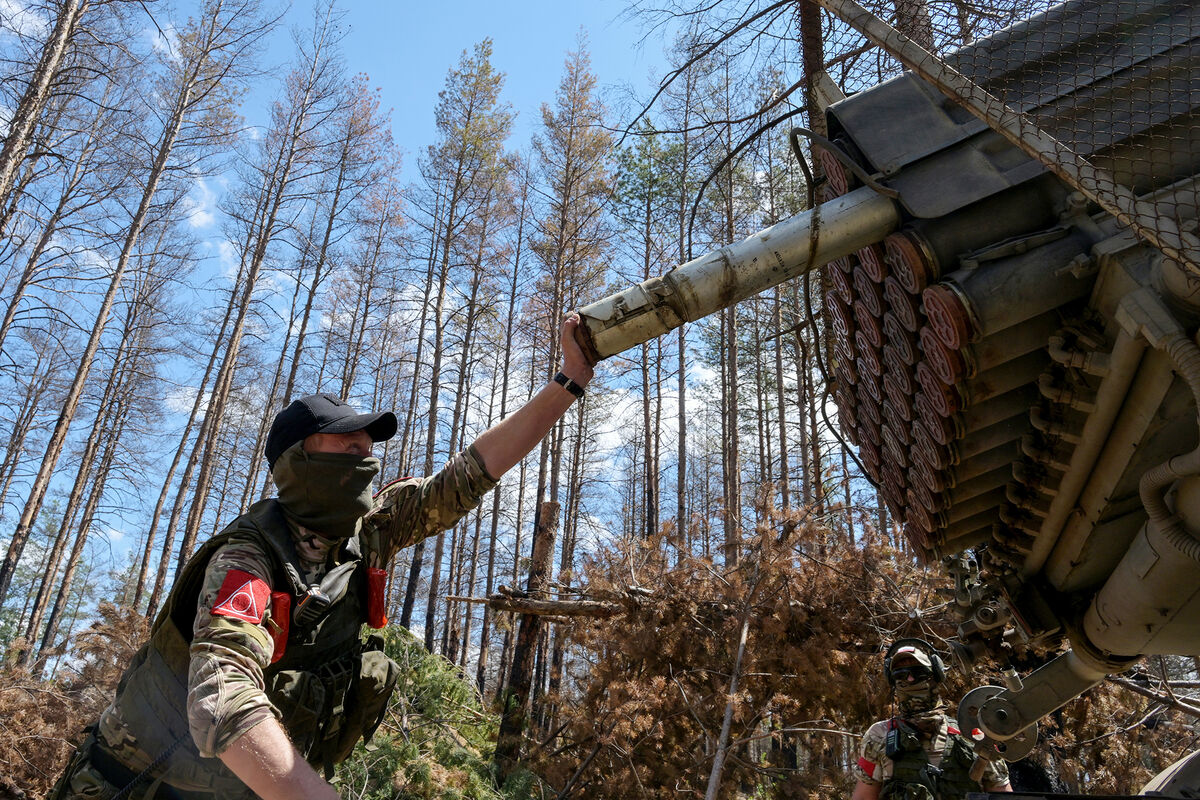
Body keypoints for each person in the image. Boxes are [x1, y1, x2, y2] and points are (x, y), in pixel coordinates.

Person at [50, 314, 595, 800]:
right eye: (348, 447)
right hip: (141, 785)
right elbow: (222, 698)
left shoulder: (372, 532)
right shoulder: (249, 558)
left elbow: (472, 471)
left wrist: (568, 381)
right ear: (297, 462)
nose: (368, 460)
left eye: (368, 447)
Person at [850, 638, 1013, 800]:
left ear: (936, 675)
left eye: (918, 672)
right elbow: (864, 796)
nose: (910, 680)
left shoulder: (971, 734)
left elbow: (1002, 793)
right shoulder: (879, 736)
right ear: (893, 682)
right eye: (901, 675)